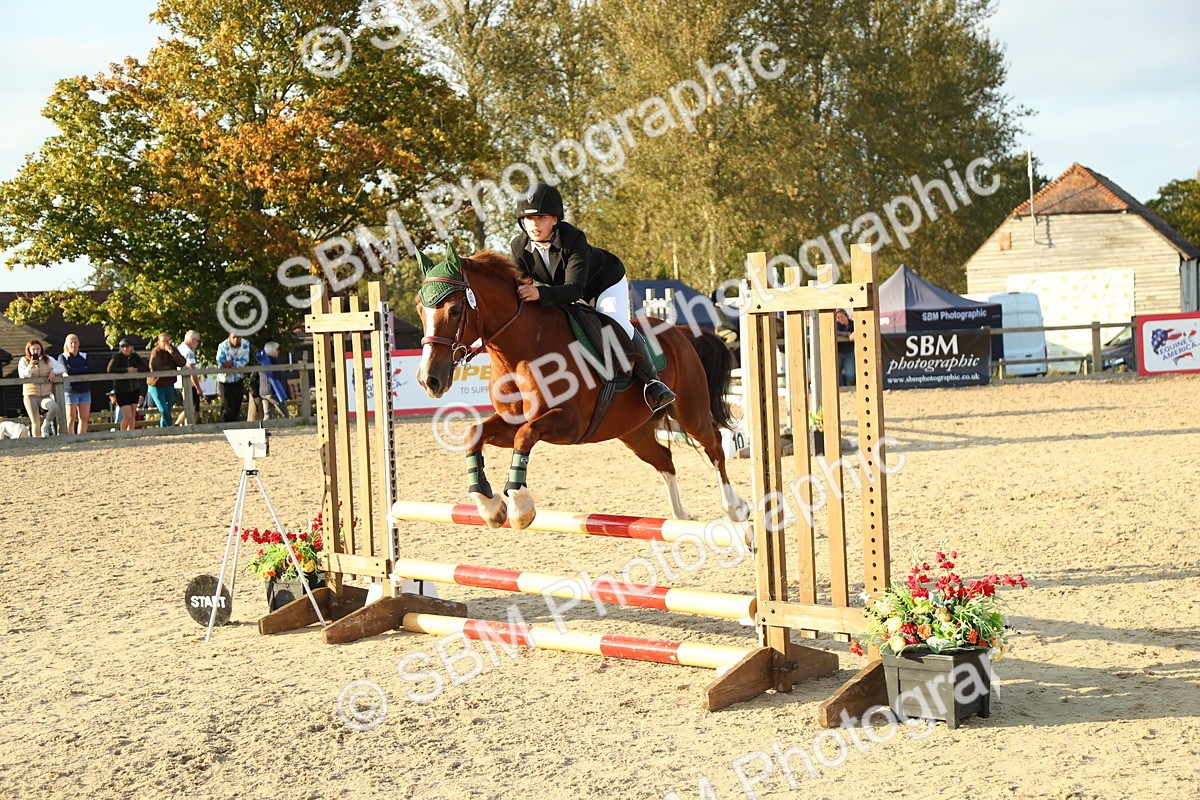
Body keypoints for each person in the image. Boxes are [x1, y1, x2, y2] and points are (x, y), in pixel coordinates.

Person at [509, 183, 675, 410]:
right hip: (562, 291)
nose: (534, 225)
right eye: (528, 219)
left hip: (604, 283)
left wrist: (539, 292)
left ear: (555, 219)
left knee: (614, 320)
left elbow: (575, 289)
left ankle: (653, 382)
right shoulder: (518, 247)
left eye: (541, 217)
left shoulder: (573, 238)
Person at [17, 340, 64, 437]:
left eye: (38, 348)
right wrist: (30, 365)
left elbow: (62, 368)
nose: (36, 351)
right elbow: (23, 375)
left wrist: (53, 371)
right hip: (31, 394)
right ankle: (37, 444)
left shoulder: (48, 359)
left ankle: (46, 425)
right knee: (35, 422)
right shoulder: (24, 360)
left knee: (54, 406)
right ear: (29, 350)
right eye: (33, 349)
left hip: (45, 394)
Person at [147, 332, 187, 427]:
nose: (166, 343)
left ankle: (164, 429)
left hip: (169, 383)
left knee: (168, 408)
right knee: (163, 410)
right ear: (159, 342)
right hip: (156, 384)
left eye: (168, 341)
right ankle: (168, 429)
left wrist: (172, 353)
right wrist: (170, 368)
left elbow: (182, 362)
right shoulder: (155, 351)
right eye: (163, 341)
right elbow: (154, 367)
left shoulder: (173, 350)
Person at [58, 333, 94, 434]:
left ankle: (81, 437)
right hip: (70, 390)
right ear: (67, 344)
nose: (73, 345)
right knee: (70, 417)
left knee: (84, 417)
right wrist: (82, 369)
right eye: (71, 343)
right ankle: (70, 437)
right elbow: (67, 370)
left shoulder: (84, 356)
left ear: (78, 343)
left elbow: (90, 369)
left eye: (75, 342)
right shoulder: (63, 357)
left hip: (84, 389)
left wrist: (75, 369)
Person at [108, 338, 147, 431]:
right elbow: (110, 369)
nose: (125, 348)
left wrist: (136, 370)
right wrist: (126, 370)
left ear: (131, 347)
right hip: (121, 390)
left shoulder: (135, 356)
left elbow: (145, 367)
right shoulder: (117, 357)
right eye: (123, 347)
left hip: (134, 388)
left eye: (127, 346)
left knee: (133, 413)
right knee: (127, 415)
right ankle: (123, 433)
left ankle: (131, 433)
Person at [216, 332, 250, 423]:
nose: (236, 339)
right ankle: (225, 427)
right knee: (227, 406)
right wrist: (235, 364)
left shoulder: (245, 344)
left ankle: (235, 428)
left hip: (238, 379)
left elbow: (244, 361)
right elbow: (221, 362)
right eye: (234, 337)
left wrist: (232, 363)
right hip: (225, 380)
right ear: (229, 336)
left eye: (238, 337)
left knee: (237, 405)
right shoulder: (223, 346)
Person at [173, 330, 203, 426]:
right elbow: (192, 370)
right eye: (198, 341)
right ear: (192, 340)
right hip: (188, 384)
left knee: (188, 407)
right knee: (194, 408)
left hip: (177, 383)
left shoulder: (179, 348)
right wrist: (198, 387)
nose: (198, 343)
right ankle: (183, 426)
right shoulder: (189, 352)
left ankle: (180, 426)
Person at [256, 342, 291, 420]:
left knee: (267, 415)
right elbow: (277, 375)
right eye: (277, 349)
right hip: (272, 390)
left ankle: (265, 428)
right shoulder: (273, 360)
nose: (279, 351)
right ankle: (291, 424)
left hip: (263, 391)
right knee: (285, 413)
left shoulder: (261, 360)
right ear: (273, 350)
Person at [835, 309, 855, 387]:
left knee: (851, 376)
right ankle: (840, 389)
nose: (840, 319)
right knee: (836, 374)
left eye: (841, 316)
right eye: (838, 317)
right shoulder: (836, 325)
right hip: (838, 353)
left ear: (846, 316)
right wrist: (848, 334)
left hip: (849, 353)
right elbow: (836, 332)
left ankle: (850, 388)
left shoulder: (853, 324)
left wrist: (854, 334)